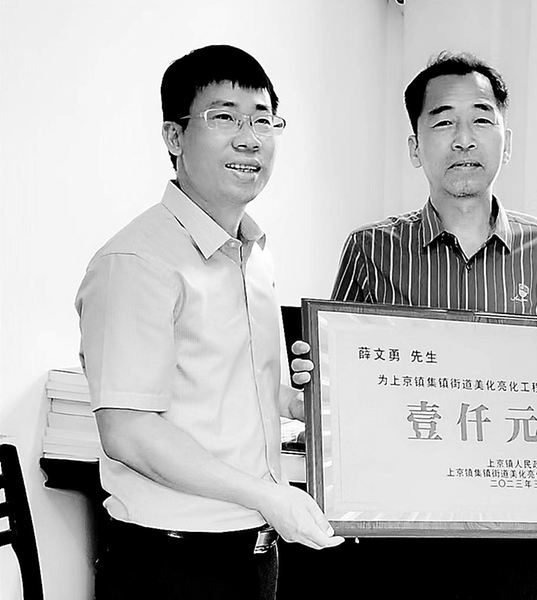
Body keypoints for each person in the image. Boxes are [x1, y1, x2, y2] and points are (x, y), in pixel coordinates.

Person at [294, 51, 537, 600]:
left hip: (514, 535)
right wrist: (316, 378)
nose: (463, 139)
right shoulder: (371, 249)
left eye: (481, 119)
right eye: (442, 122)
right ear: (415, 147)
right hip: (398, 535)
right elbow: (341, 396)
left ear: (507, 139)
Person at [75, 44, 343, 600]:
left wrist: (297, 403)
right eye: (224, 117)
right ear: (174, 137)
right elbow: (128, 431)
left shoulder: (253, 254)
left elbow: (229, 388)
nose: (250, 138)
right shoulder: (137, 261)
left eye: (263, 120)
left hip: (254, 552)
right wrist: (268, 496)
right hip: (172, 562)